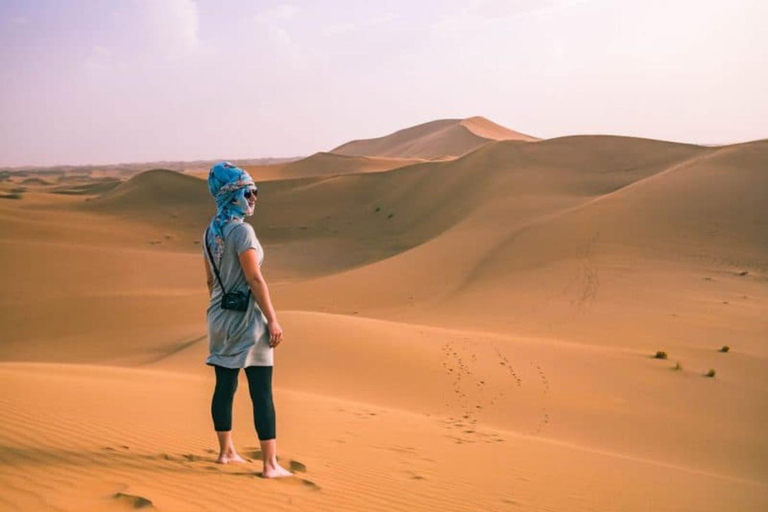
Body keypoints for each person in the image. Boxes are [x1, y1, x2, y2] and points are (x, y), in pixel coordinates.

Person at [202, 161, 292, 478]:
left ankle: (226, 452)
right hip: (247, 321)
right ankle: (270, 465)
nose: (254, 197)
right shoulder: (242, 231)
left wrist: (220, 315)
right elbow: (254, 278)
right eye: (248, 191)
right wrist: (274, 320)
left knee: (225, 386)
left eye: (254, 191)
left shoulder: (211, 231)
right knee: (261, 391)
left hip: (218, 317)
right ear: (233, 195)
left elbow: (211, 282)